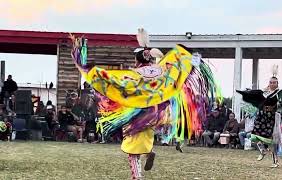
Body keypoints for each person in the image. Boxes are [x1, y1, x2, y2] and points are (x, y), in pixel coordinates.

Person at [70, 28, 220, 179]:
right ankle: (148, 153)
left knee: (132, 149)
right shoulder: (160, 70)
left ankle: (137, 176)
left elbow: (111, 80)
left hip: (136, 115)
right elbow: (176, 69)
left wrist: (85, 68)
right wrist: (191, 58)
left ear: (137, 59)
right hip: (155, 114)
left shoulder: (133, 75)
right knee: (142, 142)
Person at [237, 73, 282, 168]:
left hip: (272, 117)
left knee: (271, 140)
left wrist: (277, 105)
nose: (272, 84)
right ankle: (262, 150)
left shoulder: (279, 92)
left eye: (274, 82)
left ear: (277, 83)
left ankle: (275, 161)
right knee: (253, 135)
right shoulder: (264, 92)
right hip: (261, 116)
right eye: (271, 82)